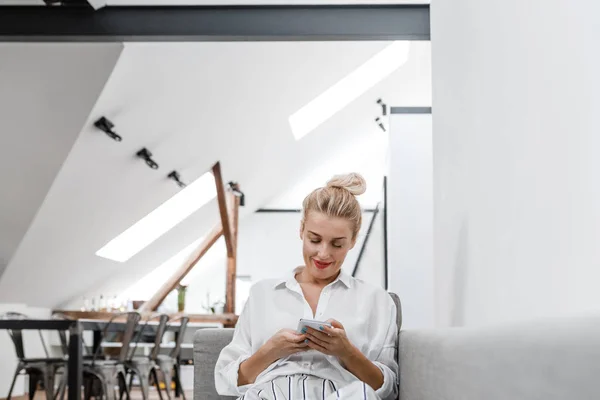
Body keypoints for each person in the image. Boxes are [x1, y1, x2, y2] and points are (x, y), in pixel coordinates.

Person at [215, 173, 398, 400]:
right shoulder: (262, 294)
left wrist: (346, 352)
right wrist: (271, 350)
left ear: (353, 240)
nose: (323, 253)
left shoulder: (377, 301)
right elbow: (226, 381)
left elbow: (387, 389)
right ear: (301, 230)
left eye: (337, 244)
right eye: (314, 239)